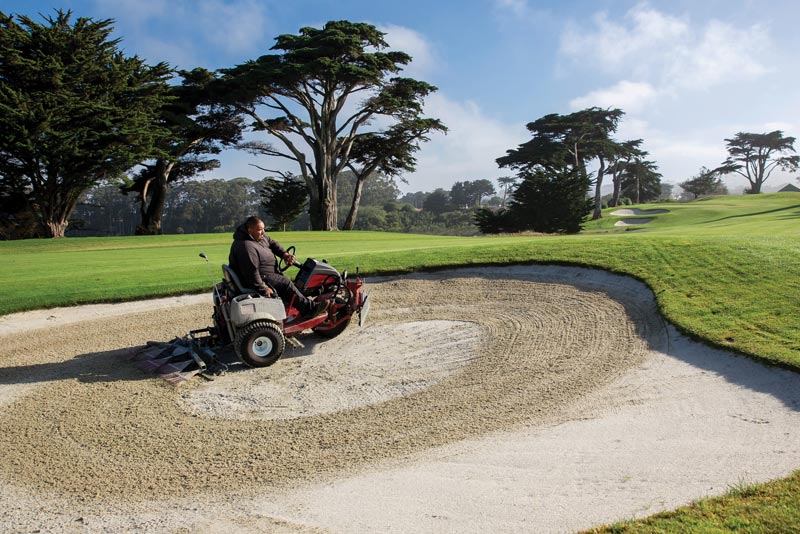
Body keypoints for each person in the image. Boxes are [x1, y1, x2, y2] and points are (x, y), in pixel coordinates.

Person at [229, 216, 328, 319]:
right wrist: (264, 288)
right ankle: (309, 309)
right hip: (261, 279)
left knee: (288, 283)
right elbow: (251, 273)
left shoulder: (257, 237)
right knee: (286, 284)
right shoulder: (246, 246)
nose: (263, 232)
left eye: (263, 229)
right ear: (250, 230)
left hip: (267, 274)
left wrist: (284, 255)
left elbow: (272, 243)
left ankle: (294, 305)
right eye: (260, 230)